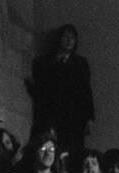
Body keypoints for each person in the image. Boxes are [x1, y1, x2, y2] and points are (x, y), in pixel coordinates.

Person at [30, 25, 95, 153]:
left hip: (74, 115)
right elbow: (42, 94)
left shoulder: (80, 63)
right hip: (52, 113)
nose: (69, 40)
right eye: (66, 36)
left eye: (73, 37)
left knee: (74, 150)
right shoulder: (44, 62)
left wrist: (90, 117)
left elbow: (86, 91)